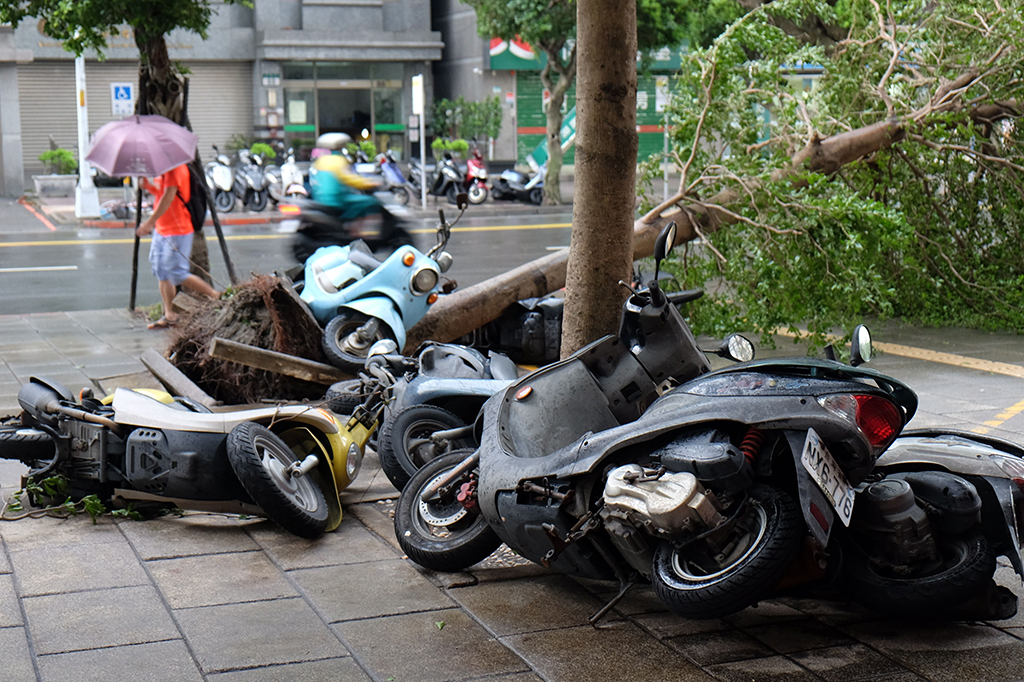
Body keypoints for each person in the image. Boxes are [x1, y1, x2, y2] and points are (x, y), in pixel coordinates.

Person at [136, 162, 220, 329]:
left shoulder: (175, 169)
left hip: (178, 230)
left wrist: (149, 223)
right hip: (162, 230)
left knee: (177, 274)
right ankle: (170, 315)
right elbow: (161, 194)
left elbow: (169, 197)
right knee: (161, 271)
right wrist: (148, 187)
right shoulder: (165, 170)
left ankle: (217, 296)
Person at [308, 132, 383, 238]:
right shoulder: (338, 160)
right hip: (337, 200)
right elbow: (349, 179)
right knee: (370, 202)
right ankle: (355, 232)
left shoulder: (320, 161)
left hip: (320, 200)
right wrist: (368, 182)